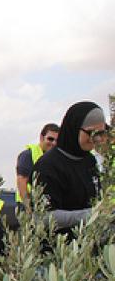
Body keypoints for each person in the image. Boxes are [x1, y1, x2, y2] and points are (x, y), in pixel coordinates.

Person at [34, 101, 107, 235]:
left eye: (100, 133)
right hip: (59, 250)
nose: (95, 138)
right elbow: (43, 217)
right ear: (73, 128)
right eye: (90, 132)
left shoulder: (89, 160)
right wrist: (92, 214)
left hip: (89, 246)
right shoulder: (48, 165)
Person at [15, 123, 59, 204]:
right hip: (27, 205)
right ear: (41, 138)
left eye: (57, 140)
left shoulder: (56, 158)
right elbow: (22, 182)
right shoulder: (28, 155)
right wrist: (28, 207)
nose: (54, 143)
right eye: (50, 139)